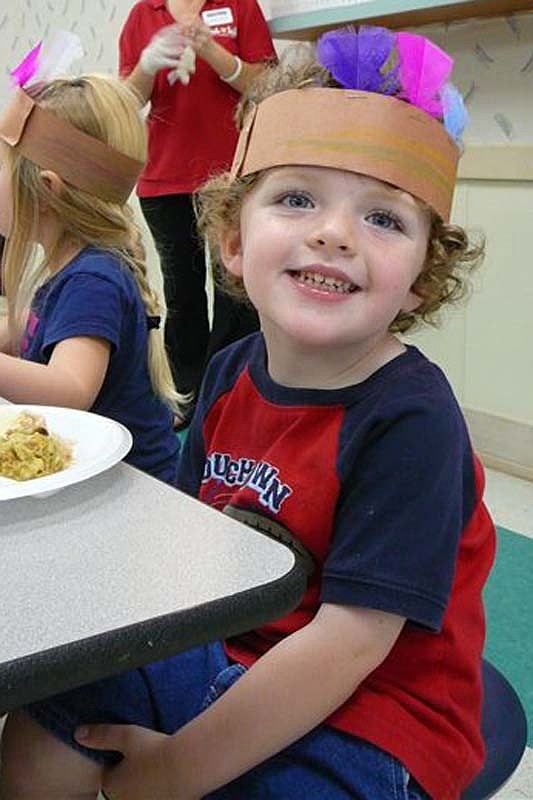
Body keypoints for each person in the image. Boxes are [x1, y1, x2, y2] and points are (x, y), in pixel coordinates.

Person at [0, 27, 496, 800]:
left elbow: (350, 644)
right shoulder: (231, 372)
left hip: (382, 714)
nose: (333, 233)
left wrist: (177, 767)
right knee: (51, 704)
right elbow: (194, 541)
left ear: (419, 285)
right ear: (232, 240)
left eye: (384, 218)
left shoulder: (412, 422)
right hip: (234, 647)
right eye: (296, 199)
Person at [0, 70, 183, 485]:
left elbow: (69, 388)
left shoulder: (93, 278)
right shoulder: (71, 264)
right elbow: (23, 328)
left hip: (135, 492)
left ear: (47, 189)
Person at [119, 0, 277, 402]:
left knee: (237, 296)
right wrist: (148, 65)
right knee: (182, 297)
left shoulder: (239, 6)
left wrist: (213, 52)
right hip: (165, 179)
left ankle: (231, 398)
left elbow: (266, 87)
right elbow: (123, 103)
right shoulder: (144, 14)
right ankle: (187, 395)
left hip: (232, 177)